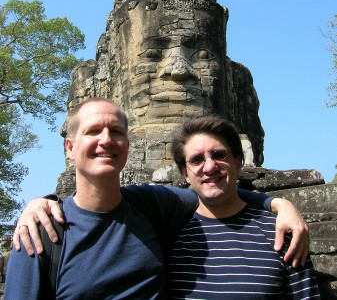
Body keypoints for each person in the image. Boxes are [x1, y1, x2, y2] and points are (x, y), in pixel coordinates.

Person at [6, 99, 309, 299]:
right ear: (69, 148)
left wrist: (278, 204)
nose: (106, 140)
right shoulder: (41, 233)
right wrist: (40, 202)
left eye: (116, 131)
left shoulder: (151, 204)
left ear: (127, 143)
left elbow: (212, 190)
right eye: (93, 131)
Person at [168, 115, 320, 299]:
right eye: (196, 160)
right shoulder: (169, 237)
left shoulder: (281, 234)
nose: (209, 166)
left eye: (219, 155)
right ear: (185, 173)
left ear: (238, 163)